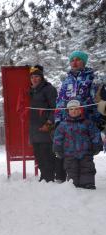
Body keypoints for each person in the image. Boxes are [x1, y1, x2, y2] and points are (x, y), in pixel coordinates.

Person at [55, 51, 101, 183]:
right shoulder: (66, 80)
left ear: (84, 62)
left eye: (78, 60)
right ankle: (73, 181)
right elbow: (59, 101)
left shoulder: (92, 78)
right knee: (70, 154)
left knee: (85, 155)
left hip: (86, 122)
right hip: (68, 122)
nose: (74, 62)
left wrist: (97, 121)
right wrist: (58, 120)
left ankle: (87, 181)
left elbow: (97, 100)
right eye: (72, 60)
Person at [53, 100, 103, 189]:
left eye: (76, 109)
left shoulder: (87, 123)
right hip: (69, 153)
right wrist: (57, 148)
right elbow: (57, 138)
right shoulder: (63, 125)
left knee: (87, 168)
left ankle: (88, 183)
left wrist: (96, 145)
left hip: (86, 152)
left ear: (80, 110)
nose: (74, 111)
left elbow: (95, 134)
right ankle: (73, 184)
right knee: (71, 169)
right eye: (71, 109)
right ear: (67, 111)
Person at [27, 65, 57, 182]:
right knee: (39, 155)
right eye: (32, 77)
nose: (34, 79)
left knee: (47, 155)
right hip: (34, 129)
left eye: (37, 76)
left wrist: (49, 123)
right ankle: (44, 177)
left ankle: (49, 178)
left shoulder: (48, 89)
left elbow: (55, 108)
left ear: (41, 77)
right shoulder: (32, 91)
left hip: (46, 128)